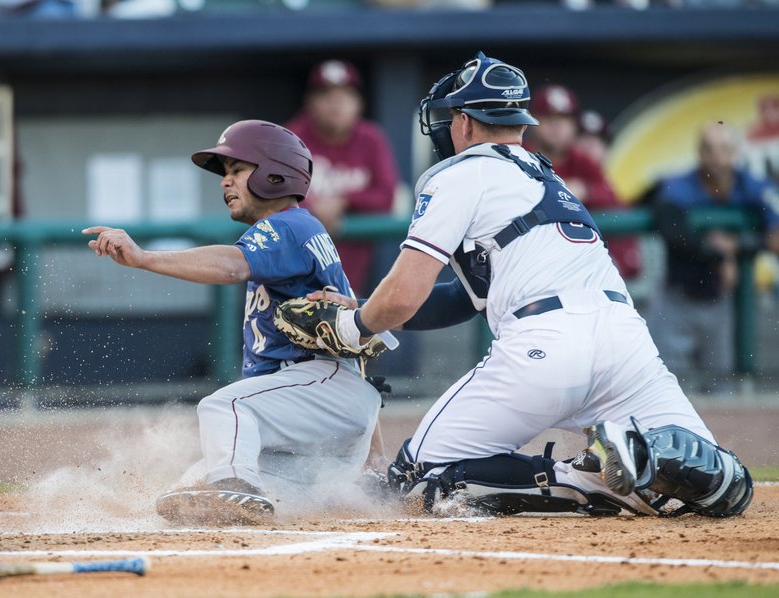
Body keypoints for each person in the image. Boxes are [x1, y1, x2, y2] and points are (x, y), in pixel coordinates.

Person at [313, 52, 752, 518]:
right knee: (713, 481)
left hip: (544, 346)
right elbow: (462, 299)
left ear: (464, 122)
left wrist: (353, 324)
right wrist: (365, 307)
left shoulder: (460, 173)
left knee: (413, 480)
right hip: (627, 345)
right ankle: (630, 463)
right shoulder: (546, 177)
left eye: (451, 117)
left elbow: (402, 297)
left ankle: (579, 479)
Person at [83, 120, 383, 525]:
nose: (226, 182)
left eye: (237, 170)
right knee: (188, 495)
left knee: (226, 406)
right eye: (225, 174)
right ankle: (341, 493)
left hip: (324, 388)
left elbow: (232, 265)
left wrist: (144, 258)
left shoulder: (291, 224)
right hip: (317, 415)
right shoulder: (295, 231)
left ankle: (237, 488)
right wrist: (375, 461)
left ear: (275, 173)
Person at [648, 121, 779, 395]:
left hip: (721, 298)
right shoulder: (680, 185)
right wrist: (717, 253)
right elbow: (671, 228)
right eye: (708, 149)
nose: (716, 157)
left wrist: (738, 244)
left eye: (724, 149)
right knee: (663, 385)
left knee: (723, 391)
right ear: (699, 153)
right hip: (677, 296)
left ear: (735, 152)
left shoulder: (750, 185)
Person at [285, 59, 400, 296]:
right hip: (291, 275)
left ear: (359, 103)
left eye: (346, 95)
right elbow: (272, 194)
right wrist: (313, 208)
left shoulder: (371, 139)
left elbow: (387, 195)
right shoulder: (289, 137)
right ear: (310, 102)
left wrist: (343, 201)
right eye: (326, 95)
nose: (336, 104)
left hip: (352, 277)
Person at [525, 84, 642, 280]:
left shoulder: (581, 160)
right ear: (531, 122)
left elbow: (614, 201)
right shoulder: (520, 154)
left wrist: (587, 191)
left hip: (579, 267)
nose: (557, 127)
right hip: (530, 264)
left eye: (564, 119)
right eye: (549, 119)